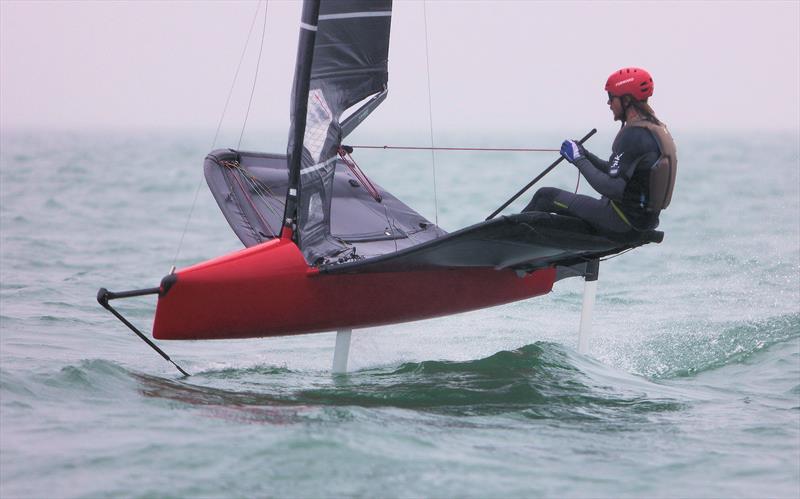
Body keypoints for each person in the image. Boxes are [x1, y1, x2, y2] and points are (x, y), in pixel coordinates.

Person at [524, 67, 677, 234]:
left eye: (611, 98)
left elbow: (611, 188)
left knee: (544, 197)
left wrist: (578, 159)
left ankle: (500, 245)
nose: (609, 104)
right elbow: (617, 172)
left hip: (621, 221)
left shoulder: (633, 135)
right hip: (643, 223)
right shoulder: (655, 130)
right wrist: (586, 155)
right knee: (571, 209)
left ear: (626, 100)